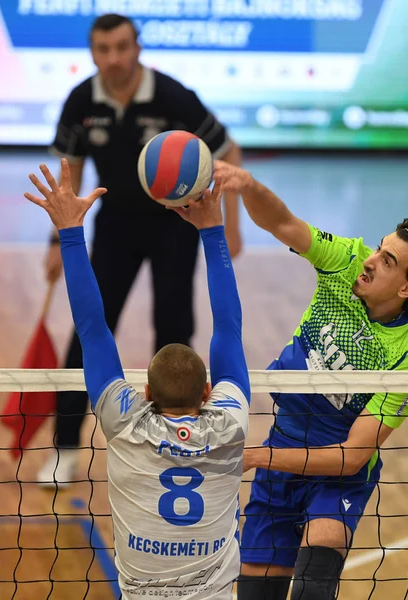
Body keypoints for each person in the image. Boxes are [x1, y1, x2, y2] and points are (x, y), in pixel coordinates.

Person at [212, 161, 408, 600]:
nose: (369, 261)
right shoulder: (345, 260)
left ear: (407, 290)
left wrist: (255, 456)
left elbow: (350, 458)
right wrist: (248, 186)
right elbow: (283, 222)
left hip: (336, 474)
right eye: (378, 249)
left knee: (314, 582)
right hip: (284, 443)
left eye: (386, 261)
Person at [25, 158, 250, 599]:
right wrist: (212, 229)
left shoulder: (127, 424)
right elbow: (228, 328)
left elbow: (92, 328)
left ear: (145, 393)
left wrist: (70, 232)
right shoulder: (230, 424)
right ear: (208, 394)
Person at [39, 13, 243, 486]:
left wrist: (232, 227)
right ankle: (65, 447)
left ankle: (176, 438)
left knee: (174, 332)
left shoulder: (173, 96)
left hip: (177, 226)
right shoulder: (81, 101)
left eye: (122, 47)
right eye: (103, 49)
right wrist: (57, 239)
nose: (113, 58)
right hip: (116, 227)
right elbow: (69, 167)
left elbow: (230, 152)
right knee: (89, 331)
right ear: (93, 53)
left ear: (138, 48)